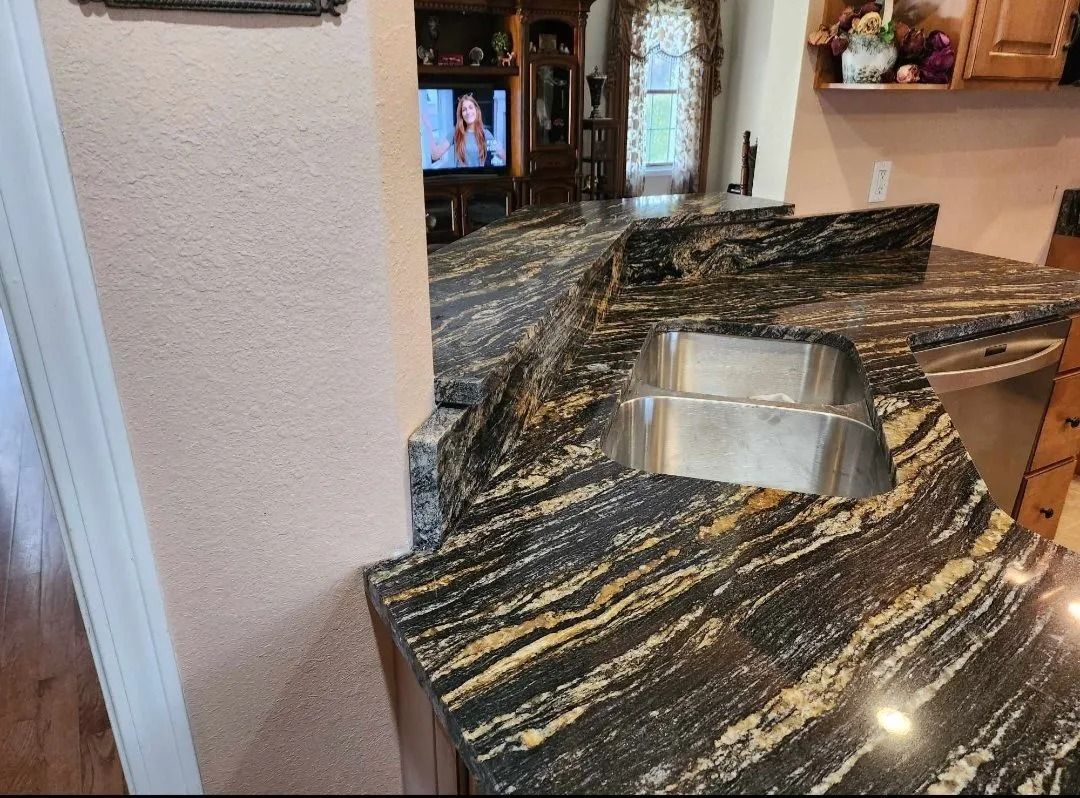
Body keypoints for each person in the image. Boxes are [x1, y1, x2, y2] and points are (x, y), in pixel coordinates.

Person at [422, 94, 505, 169]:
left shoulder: (486, 134)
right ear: (461, 114)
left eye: (470, 107)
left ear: (476, 110)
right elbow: (435, 155)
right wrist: (429, 128)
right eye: (464, 110)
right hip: (460, 181)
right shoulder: (456, 132)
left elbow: (503, 155)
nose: (468, 112)